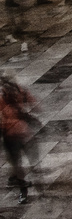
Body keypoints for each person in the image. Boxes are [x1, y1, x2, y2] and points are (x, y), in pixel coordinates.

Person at [1, 75, 38, 203]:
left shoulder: (20, 93)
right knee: (18, 164)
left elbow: (35, 106)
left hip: (21, 134)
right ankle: (22, 188)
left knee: (20, 163)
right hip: (13, 136)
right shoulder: (4, 98)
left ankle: (17, 180)